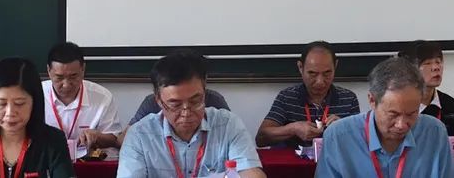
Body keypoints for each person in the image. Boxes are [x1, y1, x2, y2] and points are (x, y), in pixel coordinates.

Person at [119, 50, 264, 178]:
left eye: (195, 101)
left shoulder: (228, 125)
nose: (186, 112)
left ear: (204, 92)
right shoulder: (138, 135)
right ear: (158, 100)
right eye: (175, 104)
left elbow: (251, 173)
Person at [315, 57, 454, 178]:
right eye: (393, 114)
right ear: (372, 100)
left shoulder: (434, 132)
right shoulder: (338, 137)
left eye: (411, 113)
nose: (401, 125)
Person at [256, 41, 360, 147]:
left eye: (327, 73)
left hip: (333, 157)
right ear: (301, 67)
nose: (320, 82)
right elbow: (260, 139)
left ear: (335, 66)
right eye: (312, 73)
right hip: (293, 158)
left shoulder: (349, 99)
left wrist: (344, 128)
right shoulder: (286, 97)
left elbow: (361, 143)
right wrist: (293, 129)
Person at [41, 42, 122, 153]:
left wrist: (97, 136)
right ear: (49, 71)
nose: (66, 85)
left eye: (73, 76)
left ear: (83, 69)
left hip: (87, 159)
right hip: (46, 158)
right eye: (59, 77)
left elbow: (114, 139)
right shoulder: (35, 94)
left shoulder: (102, 97)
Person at [399, 40, 454, 136]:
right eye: (427, 63)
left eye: (438, 62)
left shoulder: (448, 103)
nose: (436, 67)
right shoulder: (398, 105)